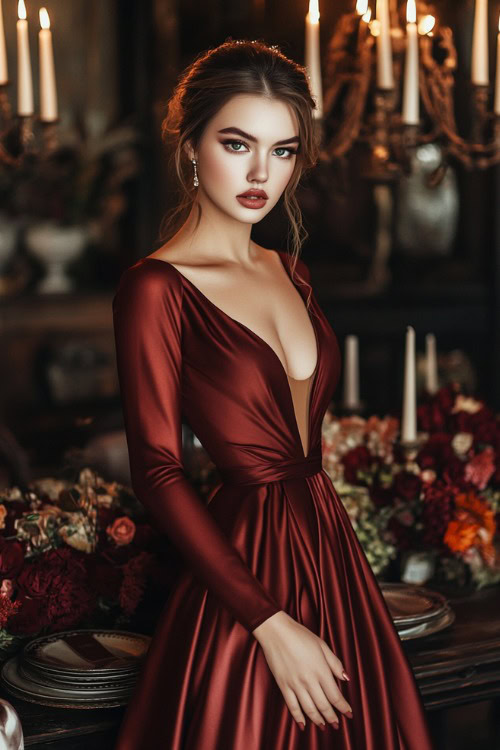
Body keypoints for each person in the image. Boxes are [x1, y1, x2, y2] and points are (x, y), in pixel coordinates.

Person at [112, 39, 434, 750]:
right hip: (245, 570)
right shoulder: (155, 288)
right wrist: (268, 621)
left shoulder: (292, 270)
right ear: (192, 144)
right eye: (238, 143)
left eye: (284, 151)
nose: (262, 173)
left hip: (332, 551)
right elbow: (157, 472)